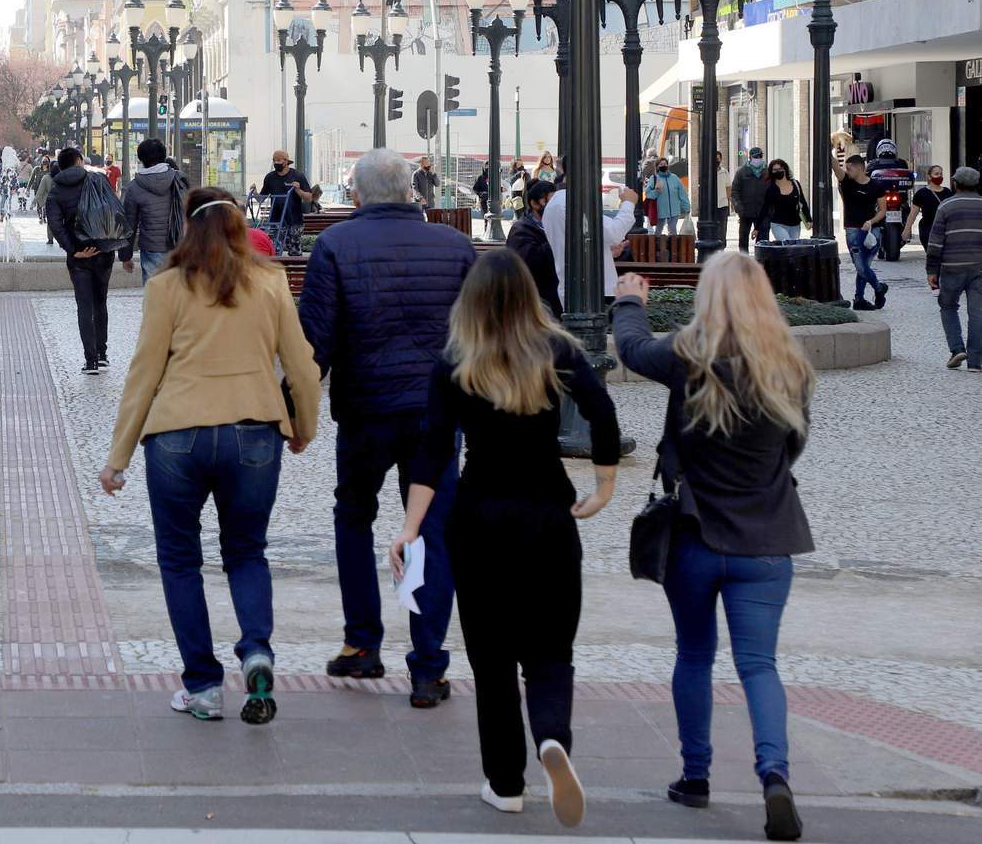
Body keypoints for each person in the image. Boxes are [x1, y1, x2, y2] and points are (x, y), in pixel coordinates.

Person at [391, 248, 617, 827]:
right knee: (550, 651)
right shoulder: (558, 351)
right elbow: (602, 412)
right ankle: (552, 736)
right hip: (548, 514)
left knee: (491, 661)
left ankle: (505, 783)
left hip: (479, 520)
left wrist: (410, 528)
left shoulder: (455, 362)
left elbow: (433, 450)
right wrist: (604, 485)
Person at [99, 186, 321, 724]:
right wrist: (302, 428)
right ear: (240, 228)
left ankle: (202, 686)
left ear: (188, 229)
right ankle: (257, 651)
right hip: (254, 432)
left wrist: (118, 457)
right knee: (247, 552)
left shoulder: (166, 286)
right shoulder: (269, 282)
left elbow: (144, 373)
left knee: (180, 560)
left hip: (177, 435)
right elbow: (302, 365)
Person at [613, 254, 815, 844]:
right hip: (766, 540)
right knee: (760, 665)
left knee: (695, 654)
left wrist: (629, 301)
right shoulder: (790, 366)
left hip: (695, 535)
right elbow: (793, 445)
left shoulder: (687, 356)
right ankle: (774, 775)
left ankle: (695, 775)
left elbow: (632, 350)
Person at [298, 147, 474, 708]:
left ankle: (362, 642)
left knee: (354, 516)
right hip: (436, 415)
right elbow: (476, 337)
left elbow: (315, 341)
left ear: (356, 193)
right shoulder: (454, 246)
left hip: (365, 409)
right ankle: (428, 666)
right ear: (409, 191)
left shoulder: (335, 245)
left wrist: (294, 411)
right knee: (431, 531)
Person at [46, 147, 132, 373]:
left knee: (84, 306)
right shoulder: (97, 180)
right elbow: (114, 209)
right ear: (79, 161)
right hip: (103, 250)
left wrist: (74, 250)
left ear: (61, 165)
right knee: (100, 302)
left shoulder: (56, 191)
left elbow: (55, 225)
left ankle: (90, 361)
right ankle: (102, 354)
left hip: (79, 256)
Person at [926, 166, 982, 372]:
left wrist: (932, 270)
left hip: (952, 267)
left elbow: (935, 242)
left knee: (948, 306)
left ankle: (957, 349)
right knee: (978, 313)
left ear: (955, 184)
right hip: (979, 269)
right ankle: (975, 361)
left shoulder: (946, 206)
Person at [544, 186, 637, 304]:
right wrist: (629, 203)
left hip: (574, 287)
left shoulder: (554, 206)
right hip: (594, 288)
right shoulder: (572, 202)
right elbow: (614, 232)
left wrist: (606, 251)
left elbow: (577, 242)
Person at [122, 138, 188, 283]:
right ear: (164, 156)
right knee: (178, 292)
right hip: (180, 246)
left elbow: (129, 224)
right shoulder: (179, 180)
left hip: (151, 248)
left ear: (141, 159)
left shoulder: (134, 187)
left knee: (154, 292)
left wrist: (126, 256)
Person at [831, 151, 889, 310]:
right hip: (853, 230)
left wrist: (871, 222)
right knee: (860, 267)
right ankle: (879, 288)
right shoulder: (846, 182)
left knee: (864, 265)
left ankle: (859, 299)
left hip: (872, 231)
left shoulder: (876, 186)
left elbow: (883, 210)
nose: (847, 171)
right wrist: (828, 149)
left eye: (849, 168)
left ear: (859, 168)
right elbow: (835, 167)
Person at [506, 180, 562, 318]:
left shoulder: (557, 224)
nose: (554, 207)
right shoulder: (521, 230)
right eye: (549, 202)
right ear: (535, 204)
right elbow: (529, 263)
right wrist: (555, 240)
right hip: (536, 303)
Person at [905, 164, 952, 250]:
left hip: (945, 229)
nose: (939, 176)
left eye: (941, 174)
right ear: (929, 177)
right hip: (928, 230)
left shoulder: (948, 192)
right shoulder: (921, 193)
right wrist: (907, 230)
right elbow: (913, 213)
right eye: (936, 174)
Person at [732, 147, 770, 252]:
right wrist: (739, 208)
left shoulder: (768, 172)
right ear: (750, 157)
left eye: (760, 156)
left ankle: (761, 260)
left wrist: (770, 211)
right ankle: (744, 260)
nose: (757, 159)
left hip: (763, 212)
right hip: (745, 212)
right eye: (755, 157)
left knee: (763, 241)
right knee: (743, 239)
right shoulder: (741, 172)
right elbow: (735, 192)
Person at [763, 160, 810, 242]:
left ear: (785, 169)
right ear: (771, 172)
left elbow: (802, 202)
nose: (778, 171)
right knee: (787, 245)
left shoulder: (795, 184)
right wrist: (757, 228)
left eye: (780, 169)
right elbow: (765, 207)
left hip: (795, 225)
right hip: (778, 224)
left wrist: (809, 219)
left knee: (793, 247)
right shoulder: (771, 188)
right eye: (775, 170)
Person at [644, 157, 690, 235]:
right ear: (657, 167)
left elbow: (682, 193)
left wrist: (687, 207)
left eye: (665, 164)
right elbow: (648, 194)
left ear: (668, 165)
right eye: (661, 164)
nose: (663, 166)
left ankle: (673, 243)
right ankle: (658, 242)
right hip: (660, 210)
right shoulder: (654, 178)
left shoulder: (675, 178)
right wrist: (656, 192)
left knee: (673, 231)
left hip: (674, 211)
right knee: (658, 231)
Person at [259, 150, 312, 218]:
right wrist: (254, 193)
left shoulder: (297, 175)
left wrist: (299, 191)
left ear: (286, 161)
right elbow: (261, 199)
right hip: (275, 220)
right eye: (274, 160)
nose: (276, 162)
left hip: (294, 219)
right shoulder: (270, 177)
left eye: (278, 160)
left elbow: (309, 198)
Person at [715, 151, 732, 245]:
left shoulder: (724, 172)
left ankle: (721, 245)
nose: (716, 161)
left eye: (717, 159)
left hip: (723, 204)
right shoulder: (707, 172)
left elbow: (728, 187)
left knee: (722, 227)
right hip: (711, 205)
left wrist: (731, 202)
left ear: (721, 159)